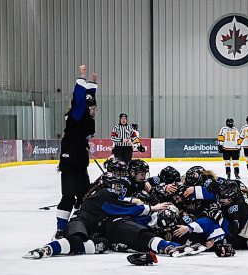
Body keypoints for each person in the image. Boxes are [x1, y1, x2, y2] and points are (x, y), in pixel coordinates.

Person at [23, 176, 184, 260]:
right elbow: (119, 207)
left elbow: (122, 202)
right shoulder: (105, 195)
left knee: (103, 244)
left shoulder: (106, 195)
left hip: (99, 230)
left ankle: (166, 246)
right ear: (107, 185)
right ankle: (47, 249)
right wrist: (150, 208)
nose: (119, 189)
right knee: (77, 239)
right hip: (81, 222)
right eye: (116, 186)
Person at [56, 64, 98, 239]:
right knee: (68, 197)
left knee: (83, 197)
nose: (94, 110)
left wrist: (93, 84)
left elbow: (89, 99)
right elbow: (80, 99)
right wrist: (81, 77)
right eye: (93, 108)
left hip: (80, 163)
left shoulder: (86, 116)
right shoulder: (77, 114)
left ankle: (78, 226)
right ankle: (61, 229)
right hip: (70, 163)